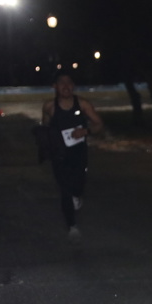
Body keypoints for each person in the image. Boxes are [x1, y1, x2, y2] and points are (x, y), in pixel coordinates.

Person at [41, 71, 104, 243]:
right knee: (65, 189)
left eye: (69, 82)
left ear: (73, 86)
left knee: (78, 186)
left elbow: (99, 124)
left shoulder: (82, 104)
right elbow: (45, 128)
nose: (66, 86)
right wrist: (47, 142)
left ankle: (77, 196)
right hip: (59, 155)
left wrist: (85, 131)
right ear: (55, 86)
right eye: (61, 82)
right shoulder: (49, 106)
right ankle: (72, 226)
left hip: (78, 153)